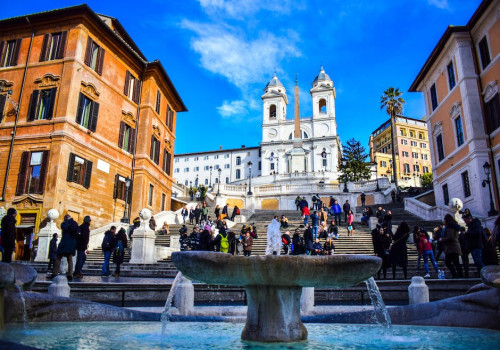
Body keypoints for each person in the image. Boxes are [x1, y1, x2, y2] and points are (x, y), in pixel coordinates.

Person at [48, 214, 79, 280]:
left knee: (58, 257)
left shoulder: (65, 223)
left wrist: (66, 222)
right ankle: (70, 274)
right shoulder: (75, 223)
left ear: (65, 218)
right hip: (72, 244)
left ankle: (55, 273)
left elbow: (64, 228)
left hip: (64, 243)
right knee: (70, 259)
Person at [441, 214, 463, 278]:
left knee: (449, 262)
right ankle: (458, 275)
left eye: (444, 219)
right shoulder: (453, 226)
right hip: (453, 246)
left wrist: (442, 239)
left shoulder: (450, 226)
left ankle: (456, 275)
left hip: (452, 247)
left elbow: (450, 237)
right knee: (455, 263)